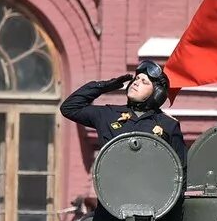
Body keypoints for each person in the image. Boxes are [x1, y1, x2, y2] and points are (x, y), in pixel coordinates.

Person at [59, 59, 187, 165]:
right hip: (112, 193)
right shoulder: (109, 115)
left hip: (152, 194)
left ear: (156, 94)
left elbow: (181, 168)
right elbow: (69, 108)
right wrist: (104, 86)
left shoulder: (167, 125)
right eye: (136, 79)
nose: (136, 83)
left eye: (144, 82)